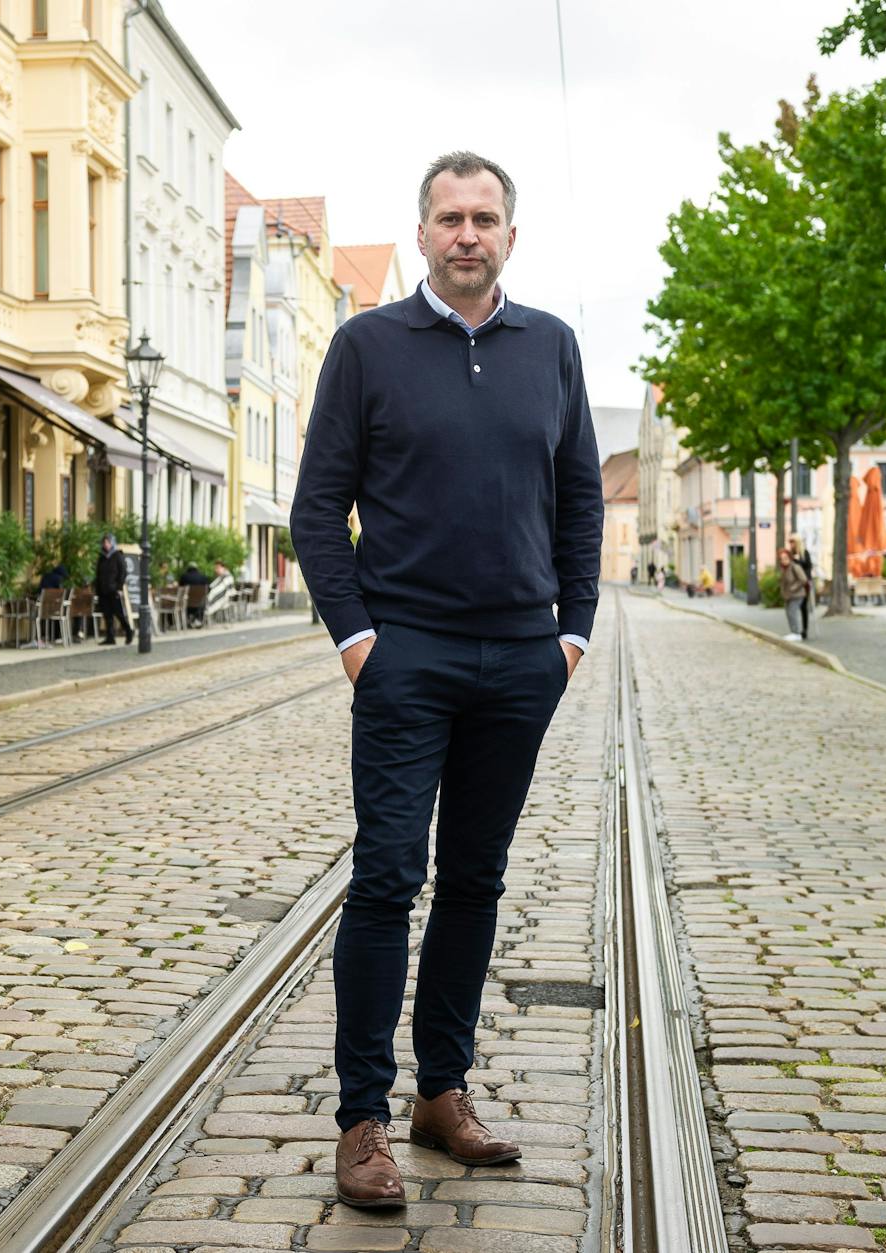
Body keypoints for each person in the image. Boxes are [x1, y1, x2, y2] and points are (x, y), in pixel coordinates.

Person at [290, 150, 602, 1209]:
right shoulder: (366, 346)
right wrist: (355, 639)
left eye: (484, 218)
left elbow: (579, 502)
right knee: (385, 876)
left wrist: (572, 634)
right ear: (420, 234)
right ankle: (362, 1117)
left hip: (520, 658)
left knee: (475, 878)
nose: (466, 234)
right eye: (448, 218)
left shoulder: (550, 346)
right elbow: (316, 506)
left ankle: (443, 1092)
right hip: (406, 652)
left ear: (510, 234)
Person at [94, 534, 132, 645]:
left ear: (112, 543)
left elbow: (123, 573)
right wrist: (97, 588)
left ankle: (129, 631)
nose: (106, 545)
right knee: (107, 615)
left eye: (108, 542)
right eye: (104, 542)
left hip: (113, 589)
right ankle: (110, 637)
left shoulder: (117, 556)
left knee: (119, 613)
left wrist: (119, 587)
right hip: (103, 590)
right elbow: (98, 573)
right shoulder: (102, 557)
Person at [786, 533, 814, 639]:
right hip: (794, 584)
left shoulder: (804, 553)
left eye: (792, 541)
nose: (791, 544)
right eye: (790, 542)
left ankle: (804, 630)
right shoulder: (790, 555)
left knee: (803, 607)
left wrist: (798, 561)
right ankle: (795, 630)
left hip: (804, 583)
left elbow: (808, 567)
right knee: (793, 607)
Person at [779, 546, 810, 639]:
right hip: (788, 596)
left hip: (797, 595)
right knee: (788, 613)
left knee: (792, 612)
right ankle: (793, 632)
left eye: (785, 558)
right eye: (781, 559)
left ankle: (796, 633)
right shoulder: (784, 569)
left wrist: (793, 588)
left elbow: (804, 579)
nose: (783, 560)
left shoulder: (795, 567)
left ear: (789, 557)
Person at [178, 561, 211, 626]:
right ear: (196, 568)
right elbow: (208, 589)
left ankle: (188, 621)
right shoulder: (203, 577)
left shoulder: (184, 577)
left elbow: (180, 589)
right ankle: (198, 620)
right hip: (200, 605)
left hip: (186, 604)